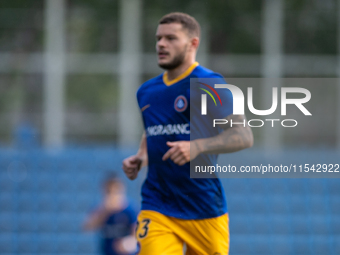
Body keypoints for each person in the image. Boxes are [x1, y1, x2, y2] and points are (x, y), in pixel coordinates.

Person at [122, 12, 253, 255]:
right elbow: (153, 129)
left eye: (171, 38)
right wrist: (141, 157)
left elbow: (244, 135)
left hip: (203, 207)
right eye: (159, 38)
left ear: (193, 44)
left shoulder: (210, 84)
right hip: (158, 204)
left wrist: (197, 147)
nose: (161, 44)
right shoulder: (147, 92)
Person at [83, 174, 137, 255]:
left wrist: (128, 243)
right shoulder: (100, 209)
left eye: (116, 190)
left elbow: (137, 236)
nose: (113, 195)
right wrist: (104, 212)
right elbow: (87, 228)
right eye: (109, 191)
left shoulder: (130, 209)